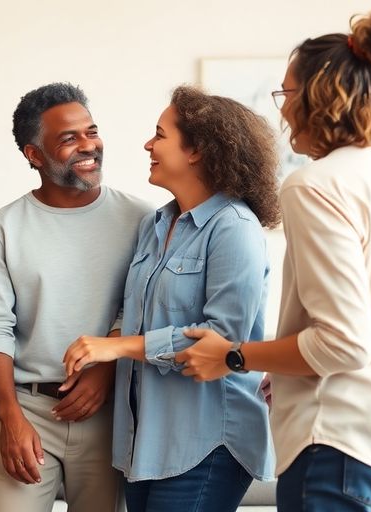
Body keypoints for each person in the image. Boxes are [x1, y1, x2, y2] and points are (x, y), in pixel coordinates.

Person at [173, 11, 371, 512]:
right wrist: (286, 365)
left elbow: (345, 343)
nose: (282, 111)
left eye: (286, 94)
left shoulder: (315, 185)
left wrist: (232, 356)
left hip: (342, 444)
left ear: (317, 98)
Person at [62, 86, 278, 511]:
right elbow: (133, 310)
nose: (148, 144)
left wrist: (116, 347)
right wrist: (111, 344)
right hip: (145, 442)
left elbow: (221, 339)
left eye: (160, 135)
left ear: (196, 150)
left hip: (207, 442)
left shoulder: (234, 227)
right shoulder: (155, 224)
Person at [0, 82, 150, 512]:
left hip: (109, 412)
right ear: (34, 154)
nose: (88, 145)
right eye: (69, 138)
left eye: (92, 131)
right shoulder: (2, 229)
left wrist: (105, 371)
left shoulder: (142, 219)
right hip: (27, 409)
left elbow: (139, 308)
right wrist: (9, 415)